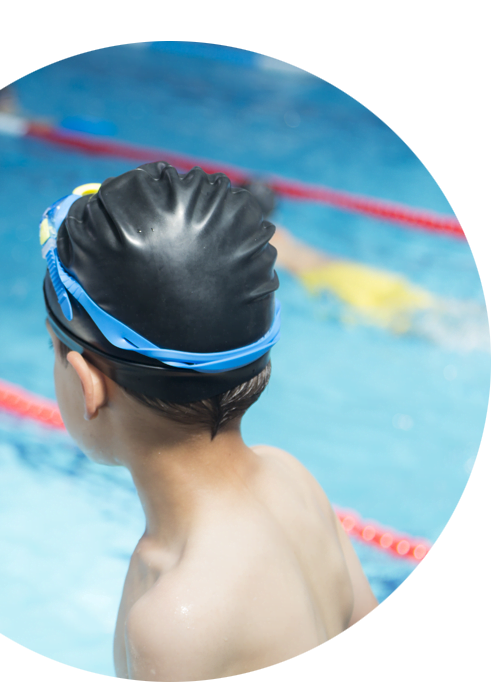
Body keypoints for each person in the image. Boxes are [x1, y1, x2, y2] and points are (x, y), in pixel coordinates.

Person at [40, 163, 452, 684]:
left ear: (87, 383)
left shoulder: (174, 621)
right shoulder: (291, 480)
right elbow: (401, 663)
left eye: (52, 349)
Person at [239, 180, 436, 335]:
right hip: (345, 268)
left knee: (394, 322)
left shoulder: (257, 240)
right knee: (417, 301)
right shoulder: (280, 232)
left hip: (326, 279)